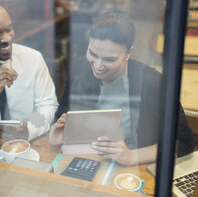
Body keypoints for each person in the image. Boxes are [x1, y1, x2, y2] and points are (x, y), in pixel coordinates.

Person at [49, 11, 194, 165]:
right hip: (86, 161)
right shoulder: (80, 69)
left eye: (109, 59)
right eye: (92, 53)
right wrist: (58, 133)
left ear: (129, 53)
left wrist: (131, 156)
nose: (98, 66)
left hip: (133, 169)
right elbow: (63, 116)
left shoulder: (153, 82)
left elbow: (184, 143)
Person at [0, 0, 58, 141]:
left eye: (9, 29)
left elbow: (47, 105)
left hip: (28, 146)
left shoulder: (33, 58)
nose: (6, 38)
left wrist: (30, 129)